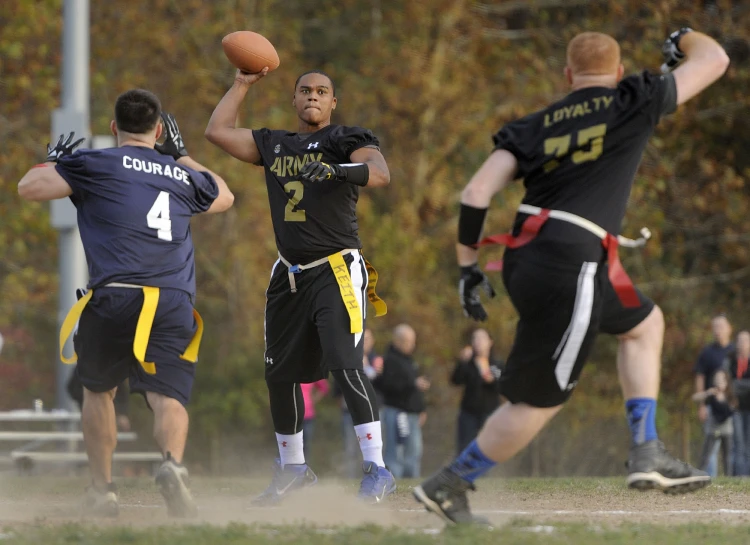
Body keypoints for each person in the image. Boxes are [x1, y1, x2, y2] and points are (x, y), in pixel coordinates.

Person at [413, 29, 729, 524]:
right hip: (573, 260)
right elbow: (715, 59)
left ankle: (647, 447)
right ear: (618, 72)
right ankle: (452, 481)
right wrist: (682, 39)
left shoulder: (533, 124)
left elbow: (476, 193)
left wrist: (468, 268)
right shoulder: (635, 98)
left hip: (534, 255)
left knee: (644, 324)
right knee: (541, 398)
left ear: (567, 76)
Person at [18, 89, 233, 517]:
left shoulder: (96, 163)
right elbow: (224, 196)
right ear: (158, 130)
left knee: (98, 391)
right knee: (167, 396)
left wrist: (56, 160)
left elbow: (30, 187)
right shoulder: (177, 173)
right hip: (172, 299)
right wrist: (182, 155)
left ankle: (103, 490)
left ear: (114, 128)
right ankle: (172, 465)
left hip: (116, 295)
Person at [205, 68, 395, 502]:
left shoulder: (345, 138)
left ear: (333, 102)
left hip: (336, 268)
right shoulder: (275, 145)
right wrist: (243, 84)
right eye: (305, 91)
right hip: (289, 272)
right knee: (279, 373)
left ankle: (378, 468)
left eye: (322, 92)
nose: (313, 96)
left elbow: (380, 174)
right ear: (294, 100)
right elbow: (217, 131)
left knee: (346, 366)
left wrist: (338, 172)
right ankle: (293, 468)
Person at [374, 324, 429, 478]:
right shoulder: (390, 360)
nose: (411, 345)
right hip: (397, 412)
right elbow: (388, 385)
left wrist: (421, 409)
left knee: (414, 450)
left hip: (412, 413)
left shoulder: (409, 360)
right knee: (396, 449)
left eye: (412, 341)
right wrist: (413, 384)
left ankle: (411, 480)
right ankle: (393, 479)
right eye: (407, 341)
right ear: (397, 341)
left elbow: (414, 390)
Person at [451, 328, 503, 454]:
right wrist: (462, 362)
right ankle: (462, 472)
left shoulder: (496, 365)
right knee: (465, 447)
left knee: (489, 448)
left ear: (490, 342)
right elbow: (456, 380)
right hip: (469, 412)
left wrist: (492, 381)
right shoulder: (468, 363)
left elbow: (503, 385)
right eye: (475, 338)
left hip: (491, 413)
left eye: (481, 338)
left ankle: (489, 473)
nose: (478, 342)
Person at [695, 314, 734, 477]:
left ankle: (733, 477)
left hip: (732, 407)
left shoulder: (734, 351)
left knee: (731, 449)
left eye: (721, 327)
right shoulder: (707, 352)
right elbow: (699, 377)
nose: (718, 331)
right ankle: (708, 478)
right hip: (712, 407)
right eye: (715, 327)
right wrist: (702, 405)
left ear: (729, 329)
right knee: (710, 448)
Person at [692, 369, 735, 475]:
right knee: (706, 454)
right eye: (717, 379)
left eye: (721, 380)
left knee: (727, 456)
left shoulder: (729, 395)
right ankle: (699, 474)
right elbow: (695, 398)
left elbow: (732, 409)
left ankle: (728, 477)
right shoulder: (711, 394)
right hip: (713, 429)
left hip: (726, 430)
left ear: (726, 381)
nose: (719, 382)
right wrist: (707, 393)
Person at [727, 331, 750, 476]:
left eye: (745, 341)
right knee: (738, 444)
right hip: (735, 408)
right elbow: (726, 382)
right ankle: (740, 477)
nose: (741, 344)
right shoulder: (730, 361)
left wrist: (737, 385)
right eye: (739, 340)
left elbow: (734, 384)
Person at [300, 379, 330, 461]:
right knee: (287, 444)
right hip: (290, 415)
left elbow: (324, 387)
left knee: (305, 445)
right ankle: (284, 470)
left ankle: (303, 469)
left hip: (307, 415)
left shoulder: (310, 370)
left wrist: (313, 400)